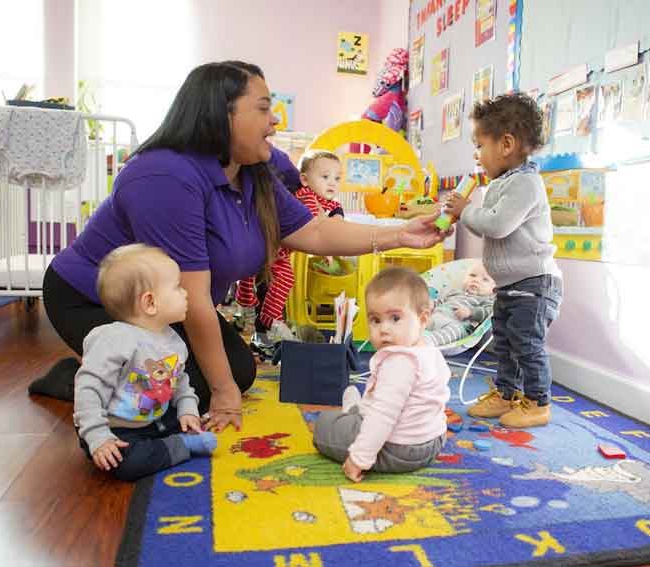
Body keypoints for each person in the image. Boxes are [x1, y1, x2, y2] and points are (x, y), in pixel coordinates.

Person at [30, 60, 450, 432]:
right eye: (263, 108)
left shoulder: (251, 173)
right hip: (96, 299)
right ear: (220, 114)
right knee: (176, 390)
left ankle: (102, 372)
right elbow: (195, 298)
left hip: (167, 305)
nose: (275, 121)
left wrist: (400, 233)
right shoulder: (165, 177)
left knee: (238, 370)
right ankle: (86, 378)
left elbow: (316, 232)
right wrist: (224, 394)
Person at [444, 93, 563, 428]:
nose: (476, 154)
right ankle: (507, 393)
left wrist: (465, 211)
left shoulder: (525, 183)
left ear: (506, 144)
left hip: (535, 284)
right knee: (505, 341)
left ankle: (538, 401)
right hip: (511, 284)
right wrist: (464, 213)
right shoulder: (503, 183)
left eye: (480, 144)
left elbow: (497, 225)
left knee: (526, 343)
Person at [73, 244, 216, 482]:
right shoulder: (114, 340)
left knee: (192, 415)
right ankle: (182, 446)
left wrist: (187, 411)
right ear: (150, 303)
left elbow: (180, 382)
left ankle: (175, 439)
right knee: (128, 465)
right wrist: (98, 436)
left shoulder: (173, 340)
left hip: (153, 419)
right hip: (115, 428)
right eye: (178, 287)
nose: (186, 293)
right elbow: (88, 389)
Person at [312, 267, 450, 482]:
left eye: (395, 318)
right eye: (375, 320)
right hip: (433, 440)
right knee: (369, 408)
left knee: (324, 425)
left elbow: (384, 415)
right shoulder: (429, 351)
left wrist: (359, 458)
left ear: (423, 319)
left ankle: (353, 413)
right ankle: (356, 411)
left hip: (400, 450)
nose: (383, 329)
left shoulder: (399, 362)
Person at [235, 150, 344, 338]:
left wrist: (338, 219)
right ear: (305, 180)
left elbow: (336, 215)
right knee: (266, 274)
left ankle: (261, 312)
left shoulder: (327, 202)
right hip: (270, 242)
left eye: (337, 178)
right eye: (325, 177)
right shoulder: (306, 196)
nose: (332, 182)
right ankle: (259, 312)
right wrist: (329, 245)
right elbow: (316, 227)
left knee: (277, 278)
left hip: (279, 249)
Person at [424, 260, 495, 347]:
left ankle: (429, 341)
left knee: (455, 330)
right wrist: (431, 304)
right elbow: (440, 301)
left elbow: (488, 313)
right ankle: (411, 336)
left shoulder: (487, 300)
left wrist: (471, 313)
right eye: (472, 275)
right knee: (419, 318)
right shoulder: (454, 292)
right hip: (436, 317)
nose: (476, 280)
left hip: (459, 326)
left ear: (494, 289)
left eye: (485, 280)